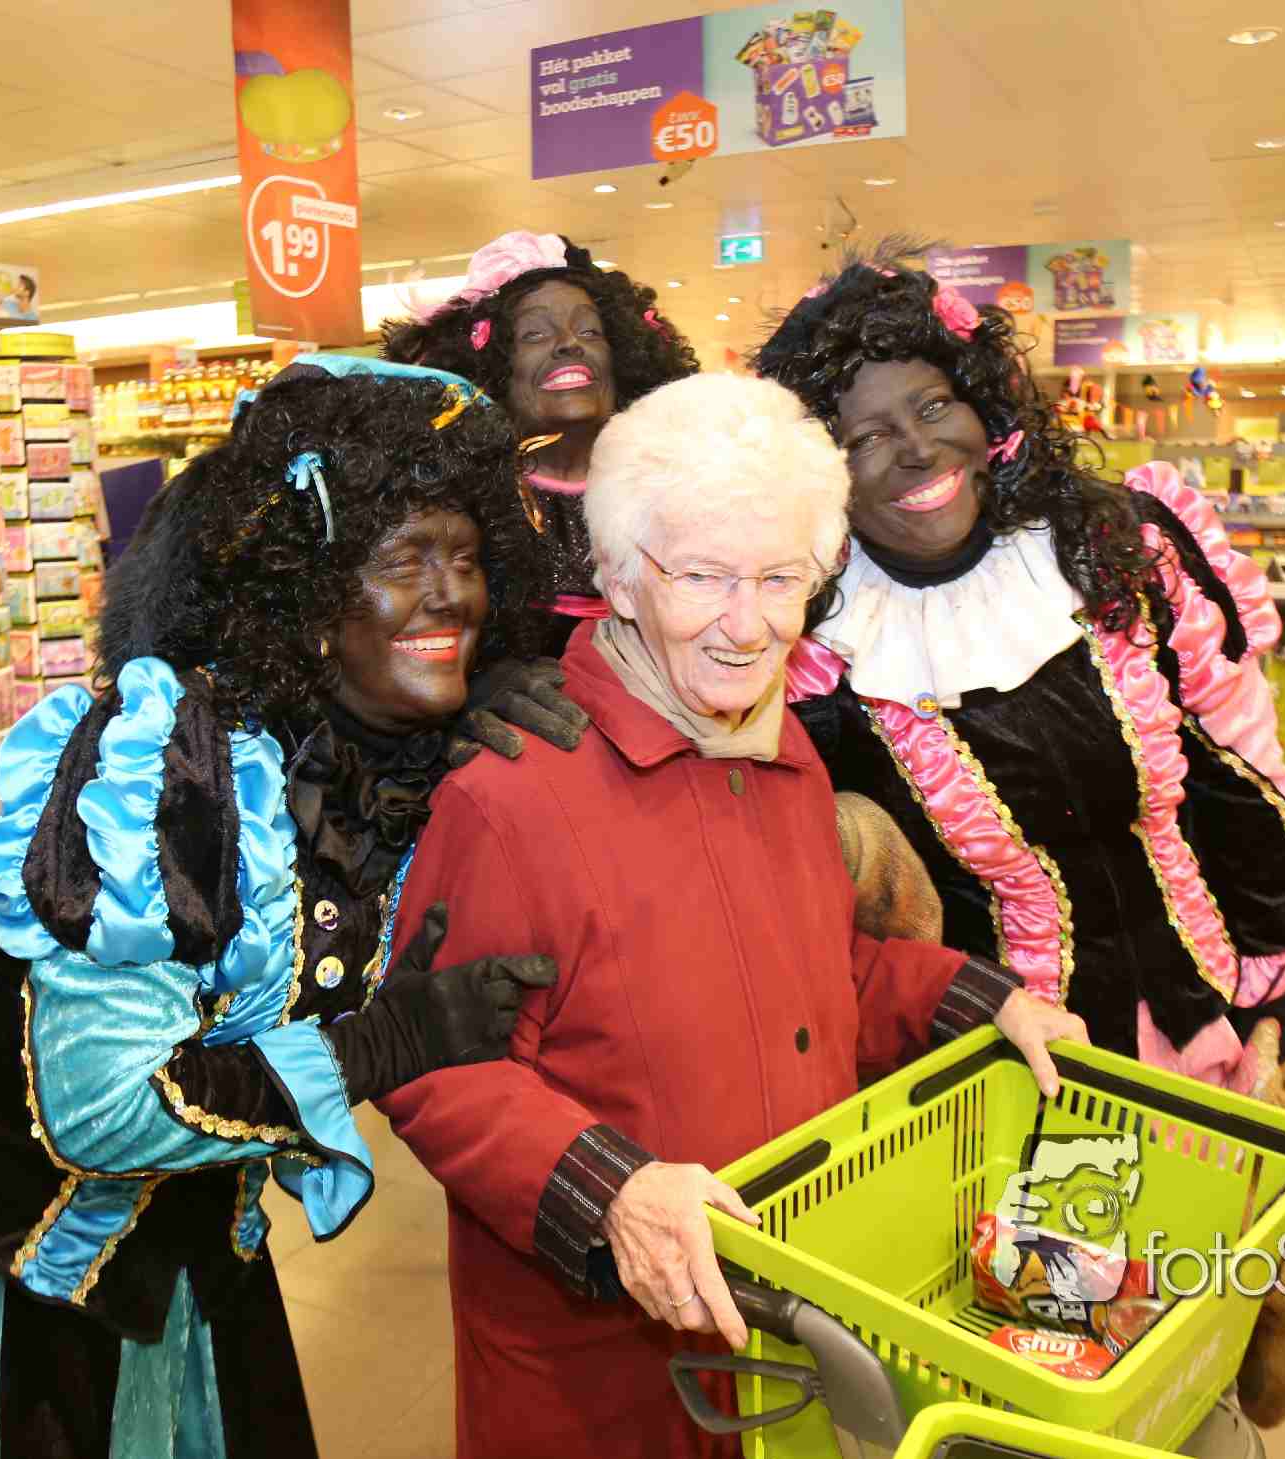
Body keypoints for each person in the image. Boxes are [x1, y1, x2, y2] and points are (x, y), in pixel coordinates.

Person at [0, 357, 585, 1458]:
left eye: (465, 557)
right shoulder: (172, 767)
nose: (451, 594)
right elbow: (101, 1106)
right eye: (405, 559)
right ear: (309, 599)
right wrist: (380, 1044)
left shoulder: (396, 764)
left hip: (171, 1224)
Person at [375, 373, 1085, 1459]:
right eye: (702, 576)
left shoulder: (782, 754)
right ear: (619, 578)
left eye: (779, 578)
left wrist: (986, 1005)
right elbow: (435, 1066)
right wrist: (611, 1191)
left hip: (785, 1330)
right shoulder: (509, 796)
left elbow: (821, 970)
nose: (747, 626)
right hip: (607, 1367)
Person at [753, 240, 1285, 1092]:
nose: (918, 448)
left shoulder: (1114, 552)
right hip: (1000, 1067)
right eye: (866, 436)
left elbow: (1237, 767)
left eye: (934, 405)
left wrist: (1278, 978)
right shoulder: (817, 652)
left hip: (1209, 1017)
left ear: (983, 406)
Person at [382, 230, 698, 655]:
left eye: (590, 331)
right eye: (534, 335)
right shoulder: (458, 501)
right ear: (491, 369)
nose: (570, 344)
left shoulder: (670, 490)